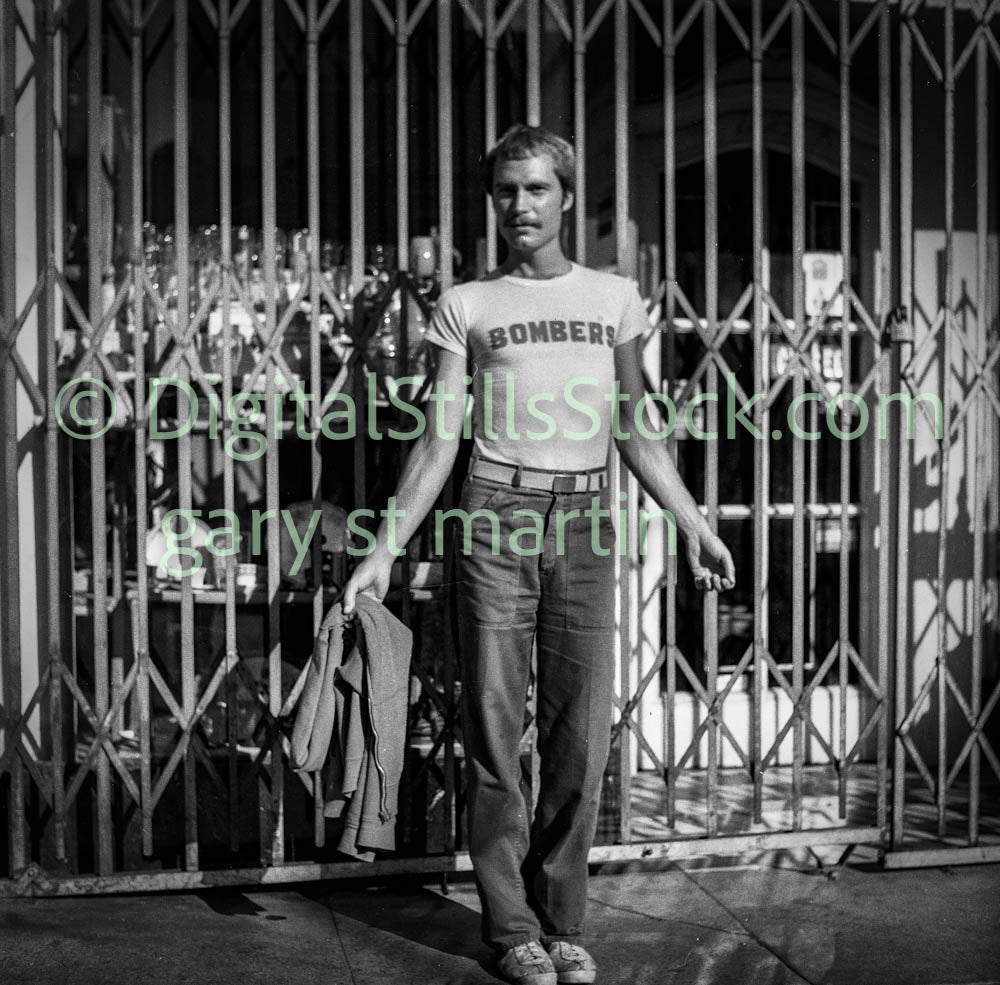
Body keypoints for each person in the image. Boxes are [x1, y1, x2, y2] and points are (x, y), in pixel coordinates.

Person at [343, 124, 735, 985]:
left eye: (536, 188)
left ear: (565, 196)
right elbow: (439, 437)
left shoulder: (615, 298)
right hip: (493, 512)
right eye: (507, 190)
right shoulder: (467, 304)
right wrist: (385, 547)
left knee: (580, 734)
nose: (520, 205)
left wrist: (692, 523)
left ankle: (563, 920)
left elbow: (637, 425)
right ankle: (510, 924)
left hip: (587, 516)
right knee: (493, 728)